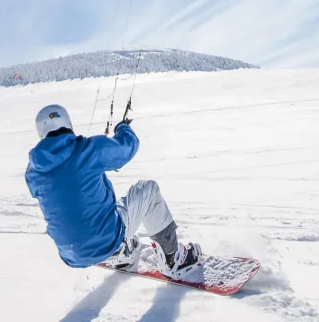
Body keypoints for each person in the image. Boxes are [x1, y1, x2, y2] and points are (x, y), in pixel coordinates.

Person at [25, 104, 202, 279]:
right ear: (68, 124)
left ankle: (122, 252)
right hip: (105, 238)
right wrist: (123, 127)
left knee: (103, 207)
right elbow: (128, 147)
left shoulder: (33, 172)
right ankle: (173, 260)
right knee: (148, 189)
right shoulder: (88, 149)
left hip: (71, 254)